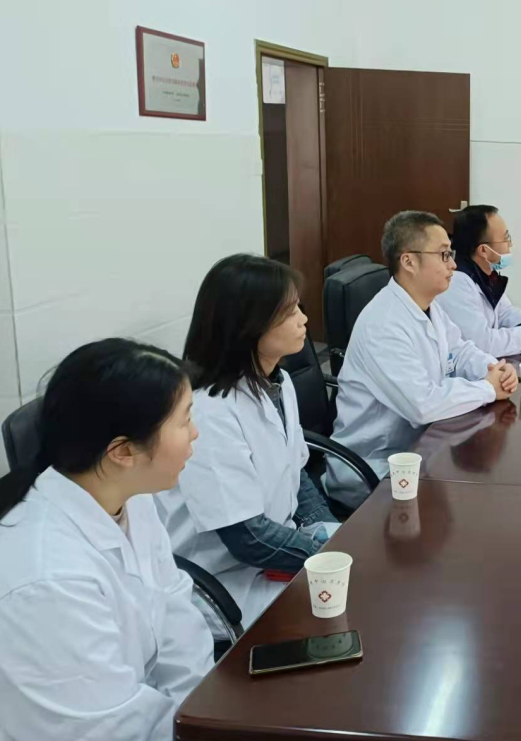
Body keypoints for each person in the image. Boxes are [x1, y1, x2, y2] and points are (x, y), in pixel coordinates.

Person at [0, 339, 213, 741]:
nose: (195, 433)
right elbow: (106, 728)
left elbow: (175, 612)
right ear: (123, 451)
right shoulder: (48, 581)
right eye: (185, 420)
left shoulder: (132, 496)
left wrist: (204, 713)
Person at [156, 254, 339, 626]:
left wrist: (333, 532)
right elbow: (248, 539)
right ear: (249, 325)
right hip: (224, 580)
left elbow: (296, 471)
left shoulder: (277, 382)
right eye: (290, 312)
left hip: (277, 553)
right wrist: (330, 554)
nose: (304, 320)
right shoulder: (208, 411)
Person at [326, 211, 519, 506]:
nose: (453, 264)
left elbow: (460, 349)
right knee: (482, 501)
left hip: (421, 449)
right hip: (375, 469)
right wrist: (487, 389)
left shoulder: (428, 305)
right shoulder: (384, 325)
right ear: (409, 261)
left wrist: (492, 368)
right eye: (443, 255)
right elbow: (422, 405)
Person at [441, 204, 521, 356]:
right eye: (505, 238)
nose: (510, 244)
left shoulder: (485, 274)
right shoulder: (456, 283)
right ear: (483, 250)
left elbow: (505, 313)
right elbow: (482, 343)